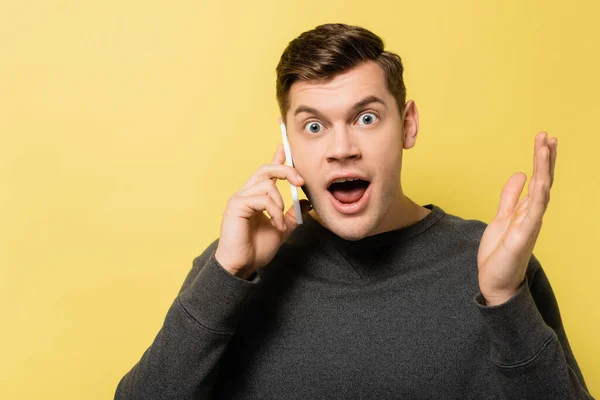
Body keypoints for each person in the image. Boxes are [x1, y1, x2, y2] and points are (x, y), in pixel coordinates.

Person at [114, 23, 593, 399]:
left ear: (406, 125)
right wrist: (227, 274)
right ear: (287, 142)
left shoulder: (498, 266)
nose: (341, 148)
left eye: (366, 118)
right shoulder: (232, 270)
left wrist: (505, 299)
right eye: (314, 126)